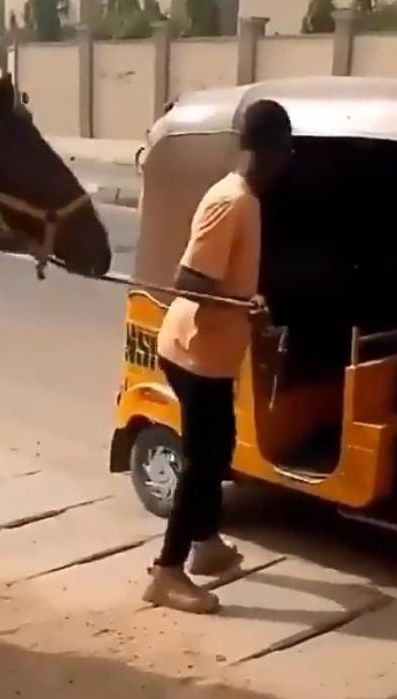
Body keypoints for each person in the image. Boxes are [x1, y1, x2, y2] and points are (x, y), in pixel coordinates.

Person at [143, 99, 294, 615]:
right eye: (288, 150)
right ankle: (167, 572)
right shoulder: (231, 201)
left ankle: (206, 546)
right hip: (193, 353)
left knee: (219, 445)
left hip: (211, 353)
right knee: (203, 462)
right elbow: (188, 281)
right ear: (273, 150)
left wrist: (244, 304)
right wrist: (244, 304)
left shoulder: (247, 199)